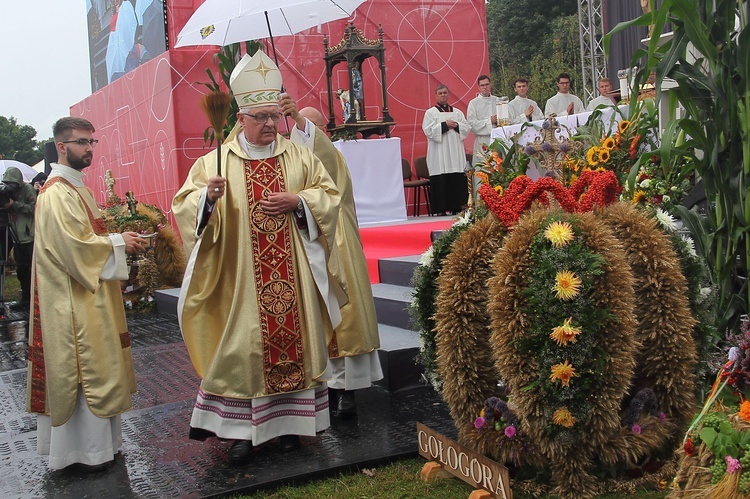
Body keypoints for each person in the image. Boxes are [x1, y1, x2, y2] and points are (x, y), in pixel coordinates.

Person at [172, 50, 344, 463]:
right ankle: (242, 434)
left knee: (297, 348)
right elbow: (184, 205)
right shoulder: (217, 163)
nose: (270, 124)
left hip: (295, 280)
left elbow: (329, 194)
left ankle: (290, 429)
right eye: (260, 117)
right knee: (245, 350)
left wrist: (299, 201)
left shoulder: (298, 156)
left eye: (273, 116)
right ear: (241, 119)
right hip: (242, 282)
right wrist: (206, 200)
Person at [26, 116, 146, 471]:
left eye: (92, 142)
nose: (89, 149)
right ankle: (83, 452)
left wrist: (116, 243)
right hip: (73, 304)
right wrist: (120, 241)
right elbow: (75, 249)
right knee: (84, 371)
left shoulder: (77, 188)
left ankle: (101, 447)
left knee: (99, 365)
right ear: (61, 147)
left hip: (90, 296)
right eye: (81, 142)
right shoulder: (57, 193)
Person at [280, 97, 383, 416]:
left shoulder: (332, 156)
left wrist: (298, 119)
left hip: (336, 242)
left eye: (306, 128)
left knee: (345, 318)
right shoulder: (294, 161)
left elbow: (325, 184)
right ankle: (322, 389)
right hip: (308, 244)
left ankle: (348, 391)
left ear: (321, 131)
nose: (298, 134)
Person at [421, 85, 470, 215]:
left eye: (445, 93)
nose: (443, 95)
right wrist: (445, 125)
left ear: (448, 95)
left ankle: (457, 207)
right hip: (439, 152)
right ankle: (440, 209)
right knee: (441, 177)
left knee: (456, 176)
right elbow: (428, 130)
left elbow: (466, 128)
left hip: (455, 150)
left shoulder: (457, 112)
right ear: (436, 96)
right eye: (440, 93)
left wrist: (457, 125)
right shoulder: (430, 113)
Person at [1, 167, 36, 310]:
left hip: (29, 237)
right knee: (21, 271)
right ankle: (26, 301)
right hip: (17, 237)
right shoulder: (7, 193)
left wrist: (15, 204)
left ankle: (36, 301)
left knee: (32, 270)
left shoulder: (27, 189)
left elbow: (34, 208)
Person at [466, 75, 499, 158]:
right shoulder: (473, 103)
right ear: (479, 87)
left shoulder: (498, 100)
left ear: (490, 85)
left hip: (498, 139)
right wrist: (489, 121)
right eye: (482, 85)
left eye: (487, 84)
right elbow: (471, 124)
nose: (485, 87)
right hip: (482, 141)